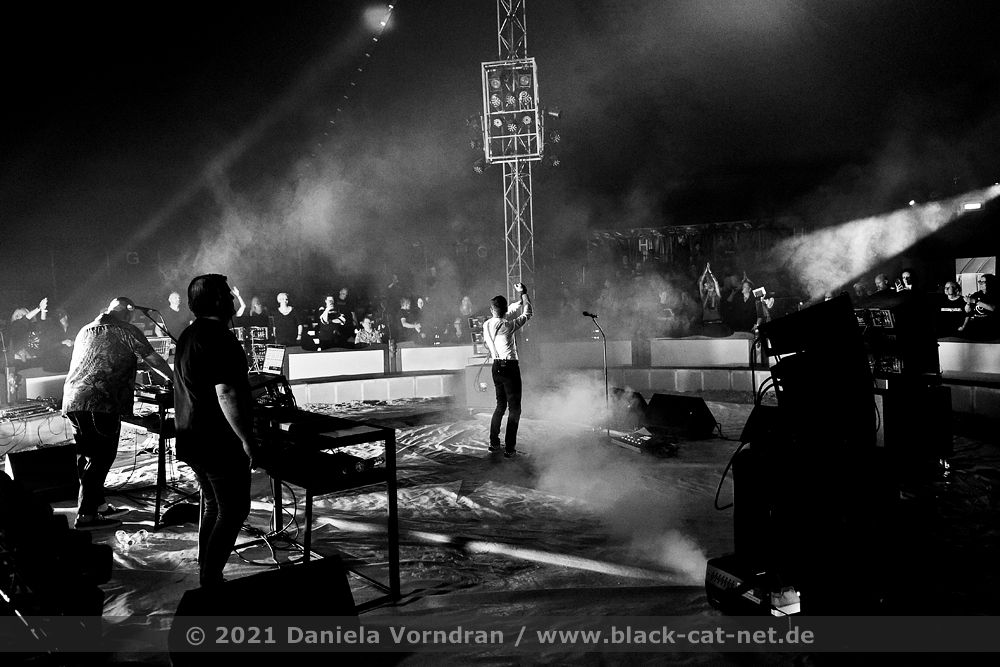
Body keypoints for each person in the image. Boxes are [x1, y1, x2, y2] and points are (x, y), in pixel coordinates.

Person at [173, 274, 257, 588]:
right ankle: (211, 578)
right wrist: (246, 438)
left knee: (213, 504)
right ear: (219, 300)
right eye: (228, 293)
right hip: (216, 440)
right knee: (234, 510)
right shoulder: (219, 336)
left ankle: (206, 569)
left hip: (192, 437)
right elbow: (226, 393)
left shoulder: (189, 334)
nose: (233, 298)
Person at [62, 297, 173, 530]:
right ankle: (86, 516)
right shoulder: (126, 329)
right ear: (128, 312)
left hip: (73, 400)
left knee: (86, 456)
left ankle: (98, 505)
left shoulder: (85, 329)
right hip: (101, 401)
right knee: (100, 458)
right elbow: (153, 359)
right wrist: (175, 380)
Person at [483, 282, 533, 458]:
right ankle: (510, 448)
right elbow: (528, 313)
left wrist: (518, 301)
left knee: (500, 406)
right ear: (504, 310)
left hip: (496, 367)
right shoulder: (508, 326)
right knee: (515, 409)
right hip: (510, 368)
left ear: (491, 310)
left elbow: (506, 312)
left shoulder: (486, 324)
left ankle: (494, 443)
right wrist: (524, 294)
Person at [959, 274, 998, 340]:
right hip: (976, 327)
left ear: (990, 283)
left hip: (990, 328)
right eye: (980, 282)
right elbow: (968, 311)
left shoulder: (995, 294)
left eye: (983, 282)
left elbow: (993, 308)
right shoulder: (977, 294)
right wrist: (968, 302)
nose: (980, 284)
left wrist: (974, 301)